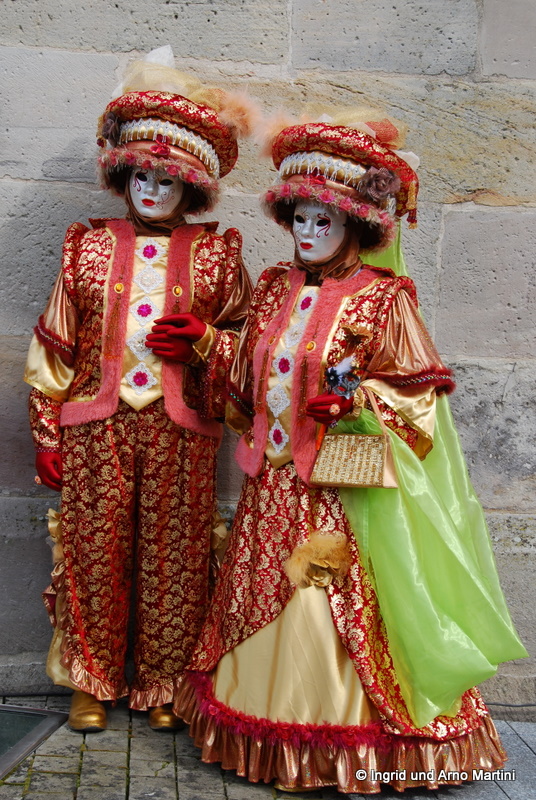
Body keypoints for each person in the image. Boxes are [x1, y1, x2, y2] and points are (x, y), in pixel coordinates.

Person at [172, 111, 527, 793]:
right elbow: (246, 382)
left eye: (323, 221)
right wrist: (208, 344)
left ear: (356, 225)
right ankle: (263, 730)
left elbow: (420, 402)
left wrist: (359, 402)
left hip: (336, 494)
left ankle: (341, 745)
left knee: (325, 606)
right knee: (259, 600)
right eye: (300, 219)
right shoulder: (272, 287)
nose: (307, 233)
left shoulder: (384, 299)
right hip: (269, 488)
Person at [24, 54, 253, 732]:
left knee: (176, 560)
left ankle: (165, 683)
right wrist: (46, 433)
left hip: (182, 429)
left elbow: (252, 348)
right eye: (142, 177)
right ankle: (90, 680)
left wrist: (206, 343)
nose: (153, 190)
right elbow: (55, 344)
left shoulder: (218, 256)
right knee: (92, 555)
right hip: (95, 425)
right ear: (124, 177)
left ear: (192, 189)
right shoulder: (86, 249)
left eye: (168, 180)